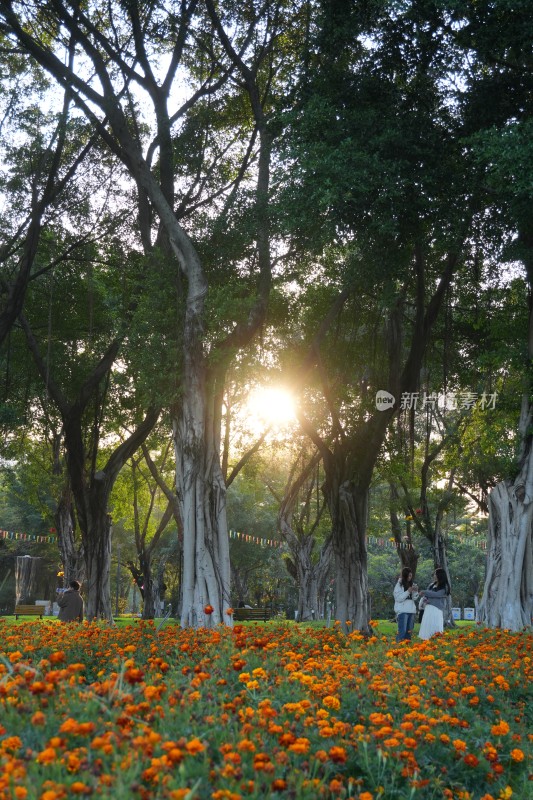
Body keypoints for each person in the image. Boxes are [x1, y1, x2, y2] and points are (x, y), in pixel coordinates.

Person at [418, 568, 450, 640]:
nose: (434, 575)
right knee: (427, 626)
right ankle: (425, 642)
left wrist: (425, 592)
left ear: (440, 575)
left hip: (436, 610)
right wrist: (426, 599)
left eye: (435, 574)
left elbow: (437, 594)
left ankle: (436, 642)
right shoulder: (431, 585)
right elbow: (427, 596)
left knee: (435, 626)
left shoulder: (444, 586)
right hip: (428, 608)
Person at [393, 567, 418, 642]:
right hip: (403, 611)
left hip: (411, 611)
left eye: (411, 575)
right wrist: (408, 591)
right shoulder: (399, 585)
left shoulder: (412, 584)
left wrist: (415, 591)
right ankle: (399, 647)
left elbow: (414, 598)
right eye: (409, 575)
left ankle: (407, 649)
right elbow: (398, 598)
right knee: (402, 631)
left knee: (409, 631)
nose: (410, 577)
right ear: (405, 575)